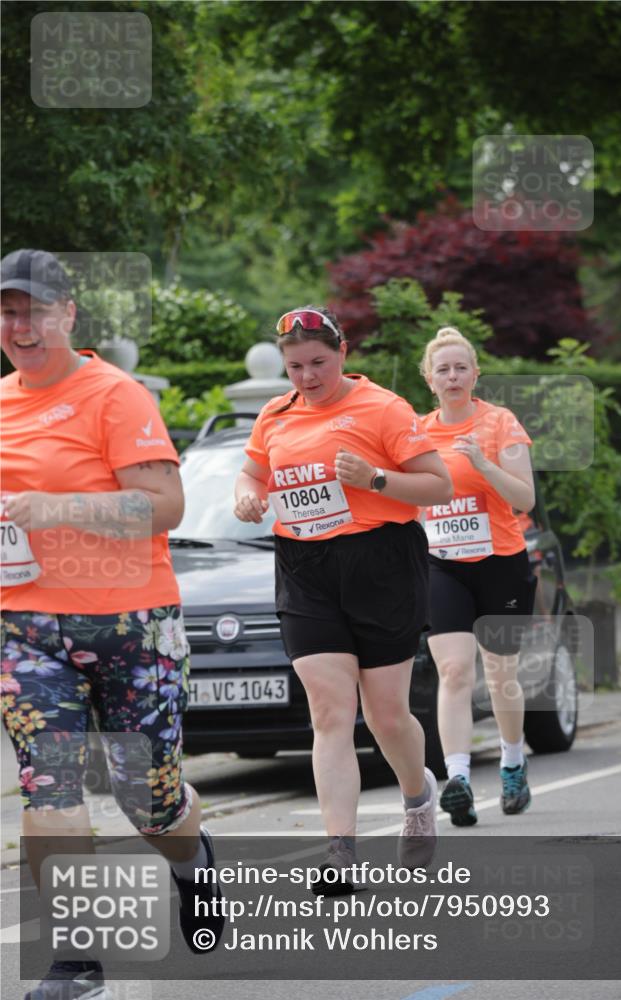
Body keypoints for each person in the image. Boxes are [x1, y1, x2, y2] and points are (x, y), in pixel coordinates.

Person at [0, 249, 224, 1000]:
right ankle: (74, 960)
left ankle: (192, 861)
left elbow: (163, 507)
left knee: (148, 802)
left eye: (33, 309)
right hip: (25, 627)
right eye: (7, 311)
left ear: (68, 314)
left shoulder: (114, 395)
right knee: (50, 791)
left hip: (132, 625)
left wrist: (63, 507)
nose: (19, 325)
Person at [234, 306, 453, 889]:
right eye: (295, 366)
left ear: (343, 353)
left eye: (318, 363)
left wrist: (375, 480)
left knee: (386, 715)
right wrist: (245, 496)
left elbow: (439, 484)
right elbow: (254, 474)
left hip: (380, 561)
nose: (307, 377)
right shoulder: (274, 414)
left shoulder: (382, 408)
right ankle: (341, 852)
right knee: (329, 711)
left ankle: (417, 792)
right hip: (304, 565)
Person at [419, 327, 537, 826]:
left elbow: (524, 499)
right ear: (429, 379)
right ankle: (459, 780)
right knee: (453, 671)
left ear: (475, 375)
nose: (452, 376)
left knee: (501, 675)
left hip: (500, 564)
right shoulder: (416, 431)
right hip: (442, 564)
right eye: (442, 369)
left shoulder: (499, 422)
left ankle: (512, 761)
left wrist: (482, 462)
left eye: (460, 368)